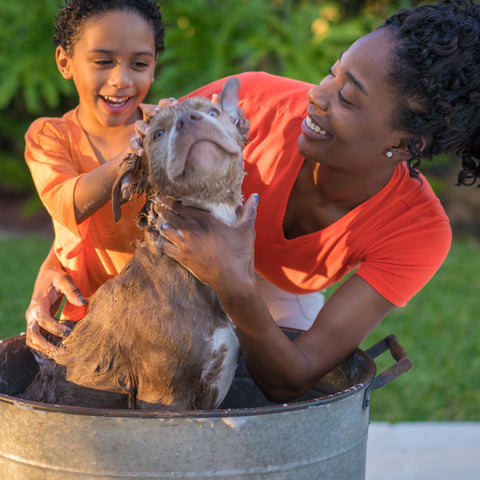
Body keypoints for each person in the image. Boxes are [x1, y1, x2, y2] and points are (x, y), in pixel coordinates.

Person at [27, 0, 480, 402]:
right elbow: (144, 175)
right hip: (189, 263)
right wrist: (59, 259)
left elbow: (293, 378)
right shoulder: (252, 104)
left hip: (266, 288)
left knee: (277, 398)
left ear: (407, 143)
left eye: (346, 96)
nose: (316, 95)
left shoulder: (415, 231)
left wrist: (237, 285)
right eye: (332, 71)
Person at [23, 0, 165, 355]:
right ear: (65, 62)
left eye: (139, 64)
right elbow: (68, 205)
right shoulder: (50, 136)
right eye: (103, 61)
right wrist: (134, 156)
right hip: (83, 322)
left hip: (164, 319)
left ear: (153, 67)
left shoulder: (166, 126)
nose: (121, 80)